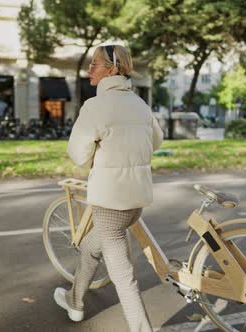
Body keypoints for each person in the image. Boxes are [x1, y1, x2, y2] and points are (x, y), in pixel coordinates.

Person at [53, 45, 164, 332]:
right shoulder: (140, 104)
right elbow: (157, 141)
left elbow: (77, 153)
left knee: (123, 276)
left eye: (94, 64)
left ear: (112, 69)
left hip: (110, 202)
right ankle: (75, 303)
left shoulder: (95, 106)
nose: (89, 69)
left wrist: (96, 159)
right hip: (136, 200)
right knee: (91, 247)